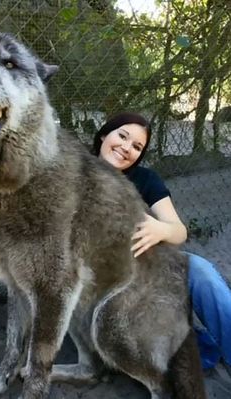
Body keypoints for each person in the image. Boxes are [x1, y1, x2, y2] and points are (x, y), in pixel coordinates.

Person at [92, 112, 231, 371]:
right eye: (122, 136)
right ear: (103, 135)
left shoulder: (145, 179)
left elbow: (179, 231)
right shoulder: (75, 174)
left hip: (153, 264)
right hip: (106, 281)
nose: (126, 148)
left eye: (136, 146)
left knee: (201, 271)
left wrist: (160, 229)